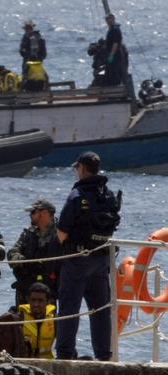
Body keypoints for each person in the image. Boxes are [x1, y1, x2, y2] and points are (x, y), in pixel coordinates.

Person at [56, 151, 122, 360]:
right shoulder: (109, 195)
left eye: (78, 168)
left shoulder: (77, 195)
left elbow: (62, 232)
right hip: (102, 259)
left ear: (82, 169)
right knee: (100, 309)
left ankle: (65, 354)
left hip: (77, 259)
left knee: (69, 307)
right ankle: (104, 354)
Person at [8, 199, 62, 306]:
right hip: (27, 287)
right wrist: (23, 261)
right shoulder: (28, 233)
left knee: (49, 321)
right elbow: (12, 253)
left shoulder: (61, 233)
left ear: (44, 213)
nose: (30, 215)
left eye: (33, 212)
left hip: (50, 289)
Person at [12, 282, 56, 359]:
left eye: (40, 301)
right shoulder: (18, 318)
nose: (36, 304)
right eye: (33, 300)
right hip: (24, 364)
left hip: (47, 364)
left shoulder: (55, 320)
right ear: (28, 300)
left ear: (48, 302)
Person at [104, 13, 123, 86]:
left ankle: (115, 87)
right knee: (110, 72)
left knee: (114, 73)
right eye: (106, 20)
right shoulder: (111, 29)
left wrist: (111, 55)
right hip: (111, 54)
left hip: (115, 55)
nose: (107, 21)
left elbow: (115, 43)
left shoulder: (115, 29)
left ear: (113, 19)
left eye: (109, 19)